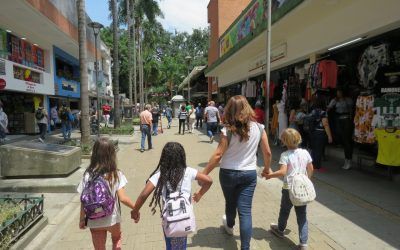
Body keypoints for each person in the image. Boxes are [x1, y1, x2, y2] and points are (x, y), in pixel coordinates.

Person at [202, 95, 272, 250]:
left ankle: (230, 225)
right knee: (245, 211)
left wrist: (205, 172)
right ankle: (245, 247)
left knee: (230, 202)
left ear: (229, 109)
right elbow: (267, 152)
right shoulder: (260, 128)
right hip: (248, 174)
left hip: (228, 173)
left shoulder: (227, 129)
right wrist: (267, 169)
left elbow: (219, 154)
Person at [131, 142, 213, 250]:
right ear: (182, 157)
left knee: (171, 244)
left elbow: (143, 194)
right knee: (180, 245)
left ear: (164, 158)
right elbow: (209, 180)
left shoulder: (160, 175)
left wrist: (135, 211)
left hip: (169, 218)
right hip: (185, 217)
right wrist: (199, 194)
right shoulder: (188, 171)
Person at [78, 138, 136, 250]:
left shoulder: (87, 175)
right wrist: (135, 208)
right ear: (112, 154)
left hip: (93, 219)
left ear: (94, 154)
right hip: (112, 218)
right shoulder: (115, 174)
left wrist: (81, 219)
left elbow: (83, 200)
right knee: (117, 239)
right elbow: (123, 198)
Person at [263, 128, 314, 250]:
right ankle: (303, 243)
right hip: (301, 189)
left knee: (285, 210)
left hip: (288, 188)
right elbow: (310, 168)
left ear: (284, 141)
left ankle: (280, 230)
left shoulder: (285, 155)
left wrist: (269, 175)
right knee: (302, 215)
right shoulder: (305, 152)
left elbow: (283, 172)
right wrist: (307, 180)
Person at [327, 89, 353, 170]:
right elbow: (329, 107)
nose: (338, 93)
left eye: (340, 92)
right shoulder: (335, 100)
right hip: (339, 119)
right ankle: (347, 160)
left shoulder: (348, 100)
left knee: (347, 140)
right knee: (341, 137)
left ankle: (348, 160)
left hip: (346, 119)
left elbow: (351, 109)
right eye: (337, 92)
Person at [309, 98, 333, 170]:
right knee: (319, 150)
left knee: (313, 149)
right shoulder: (323, 113)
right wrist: (329, 136)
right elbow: (325, 124)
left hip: (313, 132)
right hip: (320, 132)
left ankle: (312, 164)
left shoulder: (312, 112)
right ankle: (317, 166)